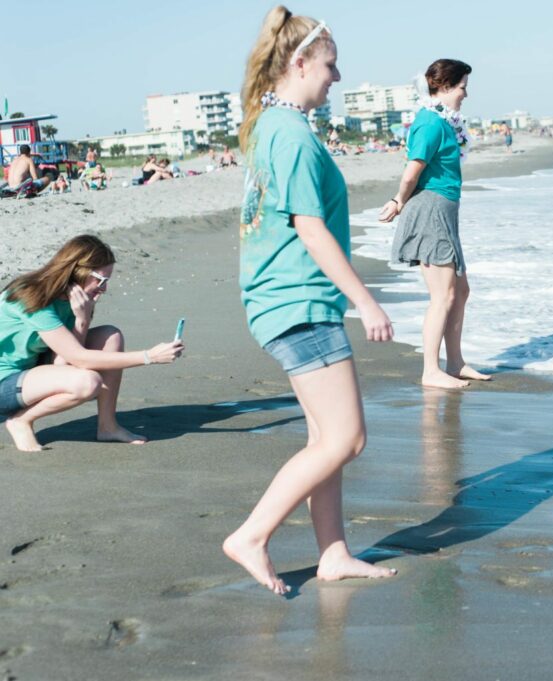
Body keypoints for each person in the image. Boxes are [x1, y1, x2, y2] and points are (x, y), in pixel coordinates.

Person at [224, 5, 398, 595]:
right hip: (299, 302)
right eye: (331, 65)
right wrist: (366, 302)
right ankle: (251, 535)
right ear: (299, 62)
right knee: (347, 439)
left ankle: (334, 553)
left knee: (326, 440)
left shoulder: (269, 125)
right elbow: (309, 225)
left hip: (283, 300)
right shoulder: (290, 133)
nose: (337, 77)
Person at [0, 235, 184, 451]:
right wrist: (149, 357)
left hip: (26, 374)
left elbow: (62, 365)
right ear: (77, 270)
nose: (104, 288)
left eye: (107, 282)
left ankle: (108, 426)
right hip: (4, 381)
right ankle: (20, 421)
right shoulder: (31, 297)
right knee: (87, 383)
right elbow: (77, 358)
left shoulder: (74, 300)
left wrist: (82, 320)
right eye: (100, 280)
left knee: (110, 336)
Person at [378, 58, 488, 389]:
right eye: (462, 87)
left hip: (445, 212)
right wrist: (398, 201)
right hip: (430, 211)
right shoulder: (429, 122)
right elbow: (413, 169)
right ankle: (430, 370)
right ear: (443, 87)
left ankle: (455, 363)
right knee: (442, 295)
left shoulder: (443, 122)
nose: (466, 94)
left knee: (461, 290)